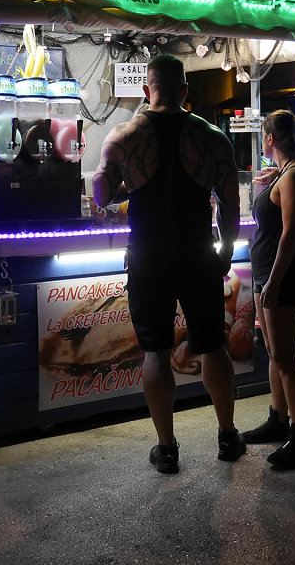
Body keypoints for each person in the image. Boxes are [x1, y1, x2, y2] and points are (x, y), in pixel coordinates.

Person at [93, 54, 245, 474]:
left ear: (146, 90)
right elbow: (228, 205)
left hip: (148, 256)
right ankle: (228, 435)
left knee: (156, 353)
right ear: (184, 92)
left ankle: (167, 447)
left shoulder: (123, 135)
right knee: (213, 344)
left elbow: (101, 195)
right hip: (198, 253)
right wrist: (227, 251)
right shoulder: (213, 137)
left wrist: (124, 182)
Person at [242, 111, 295, 469]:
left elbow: (290, 234)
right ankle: (278, 419)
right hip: (266, 273)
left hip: (281, 276)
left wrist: (273, 280)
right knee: (274, 352)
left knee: (286, 357)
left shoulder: (294, 176)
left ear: (270, 138)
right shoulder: (287, 174)